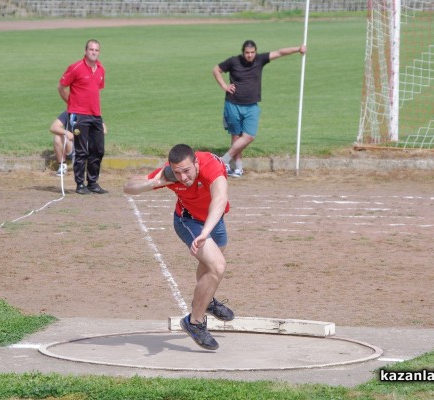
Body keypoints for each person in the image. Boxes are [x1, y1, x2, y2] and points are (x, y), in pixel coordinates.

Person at [123, 144, 235, 351]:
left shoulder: (211, 166)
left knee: (210, 265)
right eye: (177, 172)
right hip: (188, 220)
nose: (182, 177)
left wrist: (206, 232)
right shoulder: (169, 173)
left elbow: (220, 199)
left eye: (186, 171)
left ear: (196, 162)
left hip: (213, 220)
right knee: (217, 266)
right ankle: (194, 322)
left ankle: (206, 300)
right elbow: (128, 187)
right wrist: (155, 182)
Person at [213, 40, 306, 177]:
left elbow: (279, 52)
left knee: (249, 136)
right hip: (233, 104)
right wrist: (224, 86)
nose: (250, 55)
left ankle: (224, 160)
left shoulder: (260, 60)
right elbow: (216, 69)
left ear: (255, 52)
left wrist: (298, 49)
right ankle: (238, 168)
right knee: (236, 136)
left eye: (252, 52)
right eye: (247, 53)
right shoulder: (233, 61)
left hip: (252, 105)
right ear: (243, 52)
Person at [57, 39, 108, 195]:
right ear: (85, 51)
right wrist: (71, 104)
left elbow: (95, 90)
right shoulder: (76, 68)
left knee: (98, 149)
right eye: (91, 49)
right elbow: (61, 87)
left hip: (95, 114)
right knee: (81, 151)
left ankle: (92, 182)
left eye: (96, 50)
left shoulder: (100, 69)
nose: (93, 52)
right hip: (79, 115)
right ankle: (80, 184)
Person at [49, 111, 75, 177]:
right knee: (58, 137)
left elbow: (103, 130)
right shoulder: (68, 113)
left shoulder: (91, 112)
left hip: (86, 147)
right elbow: (53, 127)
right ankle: (62, 165)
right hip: (72, 146)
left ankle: (93, 167)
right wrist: (67, 133)